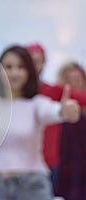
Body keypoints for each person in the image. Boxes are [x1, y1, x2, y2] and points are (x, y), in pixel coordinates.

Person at [0, 45, 80, 200]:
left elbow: (53, 111)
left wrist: (64, 111)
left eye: (21, 67)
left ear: (29, 72)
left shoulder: (37, 104)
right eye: (8, 67)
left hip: (32, 186)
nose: (14, 72)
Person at [26, 43, 86, 193]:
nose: (34, 66)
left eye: (38, 61)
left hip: (48, 161)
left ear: (44, 63)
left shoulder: (53, 91)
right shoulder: (12, 97)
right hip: (20, 163)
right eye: (29, 61)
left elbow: (81, 97)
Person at [55, 61, 86, 200]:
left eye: (78, 80)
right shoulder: (55, 108)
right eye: (69, 80)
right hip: (63, 161)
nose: (74, 84)